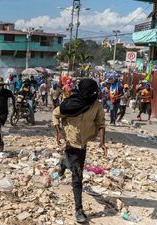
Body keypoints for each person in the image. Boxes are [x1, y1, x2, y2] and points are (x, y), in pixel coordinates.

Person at [52, 79, 106, 223]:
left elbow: (101, 123)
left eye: (96, 92)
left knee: (76, 170)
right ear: (84, 92)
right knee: (77, 176)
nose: (95, 94)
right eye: (92, 92)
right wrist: (58, 131)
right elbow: (55, 114)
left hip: (83, 144)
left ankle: (64, 162)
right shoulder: (70, 104)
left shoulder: (96, 105)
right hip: (70, 142)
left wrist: (102, 142)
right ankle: (79, 210)